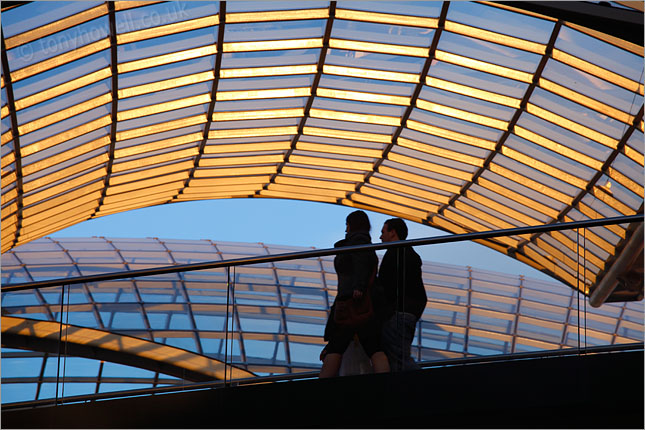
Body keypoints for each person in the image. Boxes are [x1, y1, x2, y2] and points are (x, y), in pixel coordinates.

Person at [319, 210, 390, 378]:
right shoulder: (362, 242)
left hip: (352, 302)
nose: (346, 229)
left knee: (336, 346)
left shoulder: (358, 242)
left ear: (351, 225)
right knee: (373, 346)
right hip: (361, 305)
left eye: (347, 224)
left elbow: (360, 264)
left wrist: (359, 286)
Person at [377, 218, 427, 371]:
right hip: (408, 313)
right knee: (398, 357)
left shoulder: (395, 253)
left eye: (383, 231)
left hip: (398, 314)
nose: (380, 237)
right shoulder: (410, 253)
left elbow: (387, 286)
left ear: (393, 233)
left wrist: (388, 311)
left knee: (399, 359)